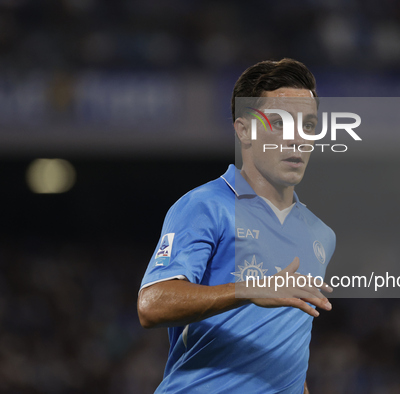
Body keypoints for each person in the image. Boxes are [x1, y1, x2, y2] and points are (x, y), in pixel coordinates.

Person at [137, 58, 336, 393]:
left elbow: (287, 350)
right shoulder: (205, 206)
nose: (296, 139)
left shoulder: (320, 235)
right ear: (243, 130)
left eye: (308, 125)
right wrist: (249, 289)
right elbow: (151, 304)